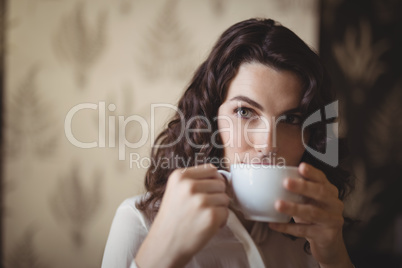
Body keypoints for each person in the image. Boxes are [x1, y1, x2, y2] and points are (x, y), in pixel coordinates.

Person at [101, 18, 355, 268]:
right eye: (245, 112)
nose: (267, 144)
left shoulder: (317, 234)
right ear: (210, 119)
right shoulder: (140, 222)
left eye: (291, 118)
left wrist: (335, 260)